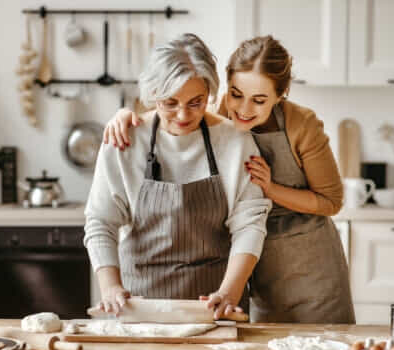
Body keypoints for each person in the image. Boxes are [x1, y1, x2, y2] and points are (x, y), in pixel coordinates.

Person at [102, 35, 355, 323]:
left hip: (309, 265)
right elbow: (177, 107)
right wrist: (127, 116)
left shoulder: (302, 125)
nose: (244, 109)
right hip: (255, 264)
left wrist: (270, 189)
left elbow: (331, 201)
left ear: (281, 94)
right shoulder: (220, 117)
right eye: (236, 94)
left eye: (259, 100)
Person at [84, 33, 271, 320]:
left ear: (210, 93)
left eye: (196, 102)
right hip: (139, 307)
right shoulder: (124, 140)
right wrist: (110, 288)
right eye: (170, 103)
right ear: (152, 95)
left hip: (214, 307)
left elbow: (250, 224)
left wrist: (230, 293)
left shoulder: (235, 141)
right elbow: (101, 221)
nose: (183, 115)